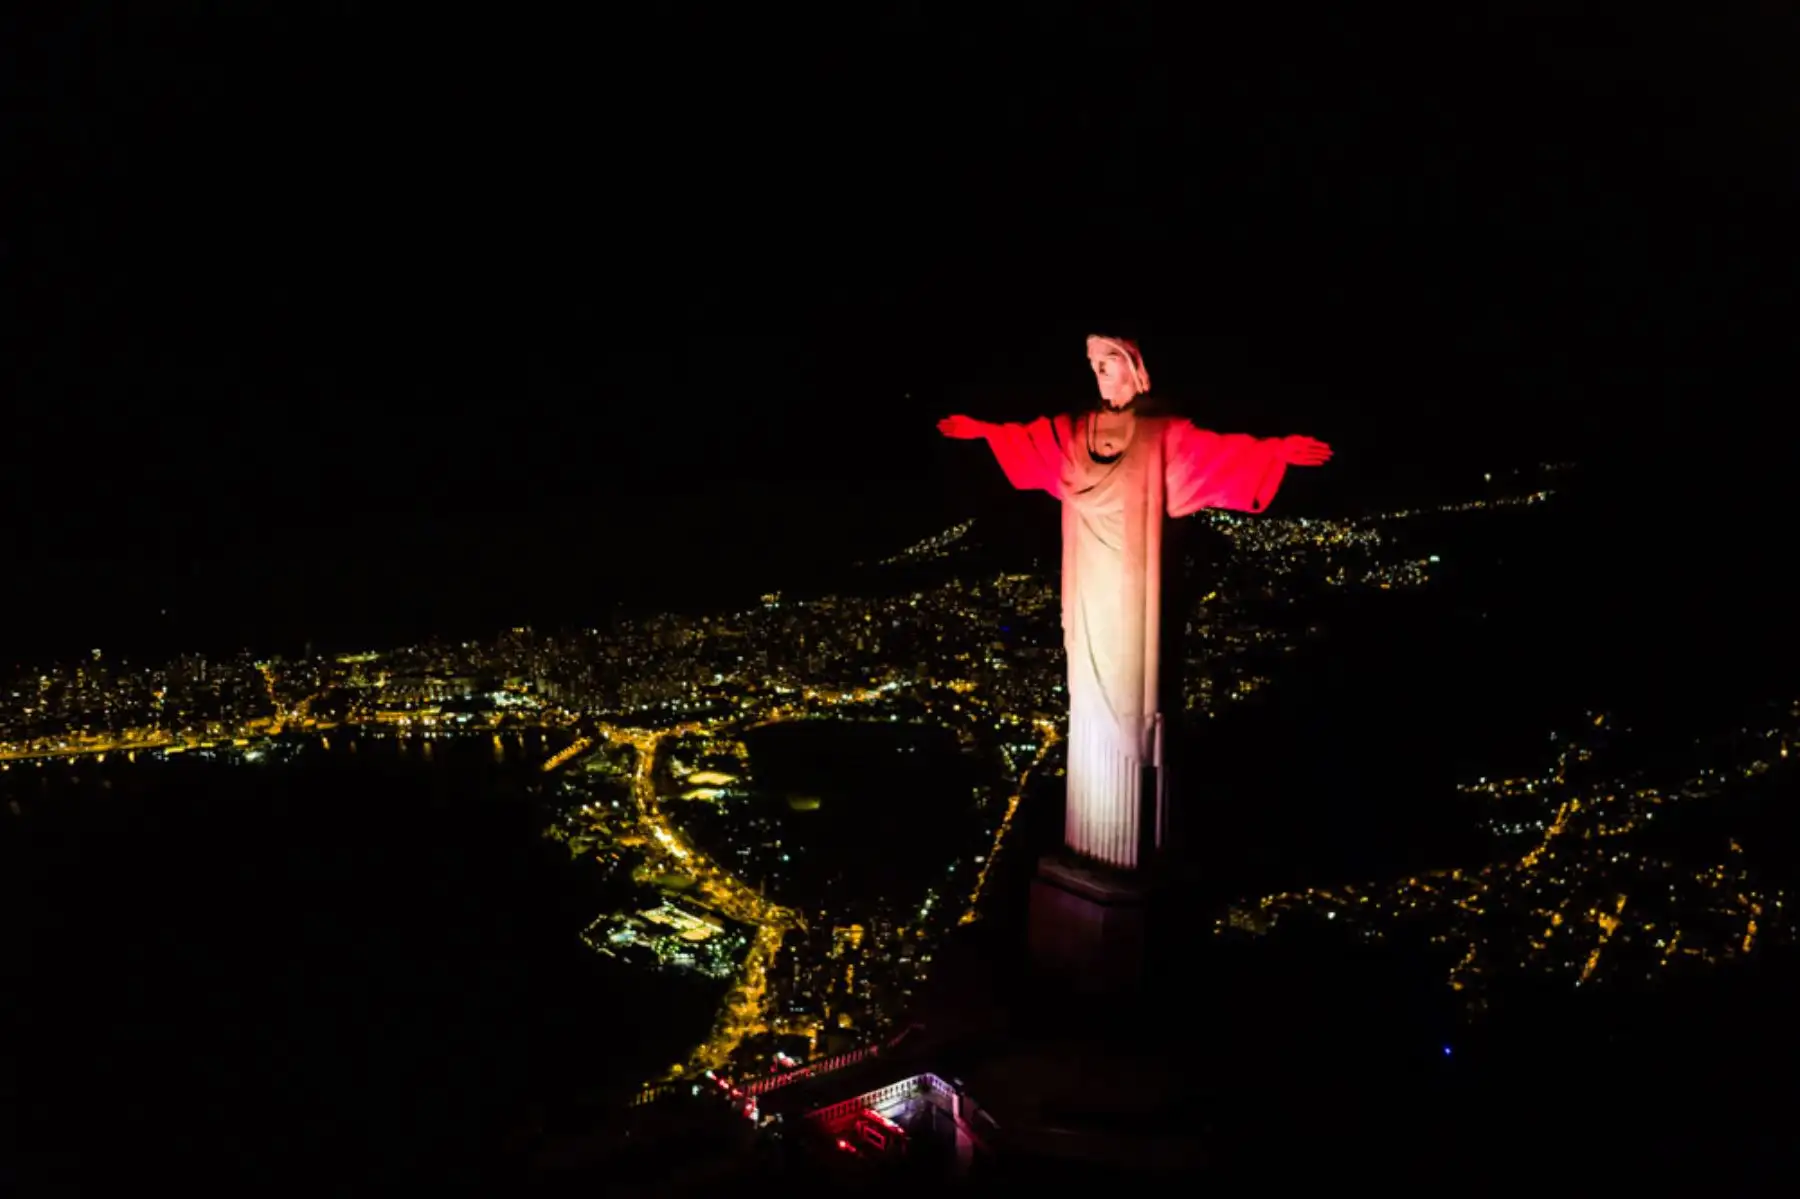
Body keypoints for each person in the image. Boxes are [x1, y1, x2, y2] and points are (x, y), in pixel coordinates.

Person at [939, 334, 1331, 870]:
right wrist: (984, 431)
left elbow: (1219, 453)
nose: (1101, 373)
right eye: (1095, 365)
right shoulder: (1075, 430)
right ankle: (1099, 848)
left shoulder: (1163, 433)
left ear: (1137, 371)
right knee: (1090, 695)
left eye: (1112, 363)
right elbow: (1030, 438)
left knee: (1135, 702)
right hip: (1087, 587)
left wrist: (1275, 452)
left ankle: (1134, 854)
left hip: (1139, 590)